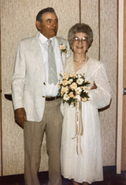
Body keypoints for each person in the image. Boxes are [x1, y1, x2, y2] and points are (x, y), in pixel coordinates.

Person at [11, 7, 70, 185]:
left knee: (56, 151)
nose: (54, 25)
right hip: (32, 106)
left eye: (56, 20)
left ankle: (56, 182)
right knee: (32, 152)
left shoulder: (64, 44)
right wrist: (18, 107)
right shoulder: (25, 45)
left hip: (57, 106)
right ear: (38, 25)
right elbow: (18, 79)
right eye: (49, 21)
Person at [60, 23, 111, 185]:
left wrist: (84, 93)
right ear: (71, 42)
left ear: (89, 43)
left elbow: (105, 96)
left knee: (86, 154)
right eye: (76, 38)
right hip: (68, 116)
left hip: (87, 117)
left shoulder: (97, 66)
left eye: (84, 39)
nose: (80, 42)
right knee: (72, 158)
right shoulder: (64, 64)